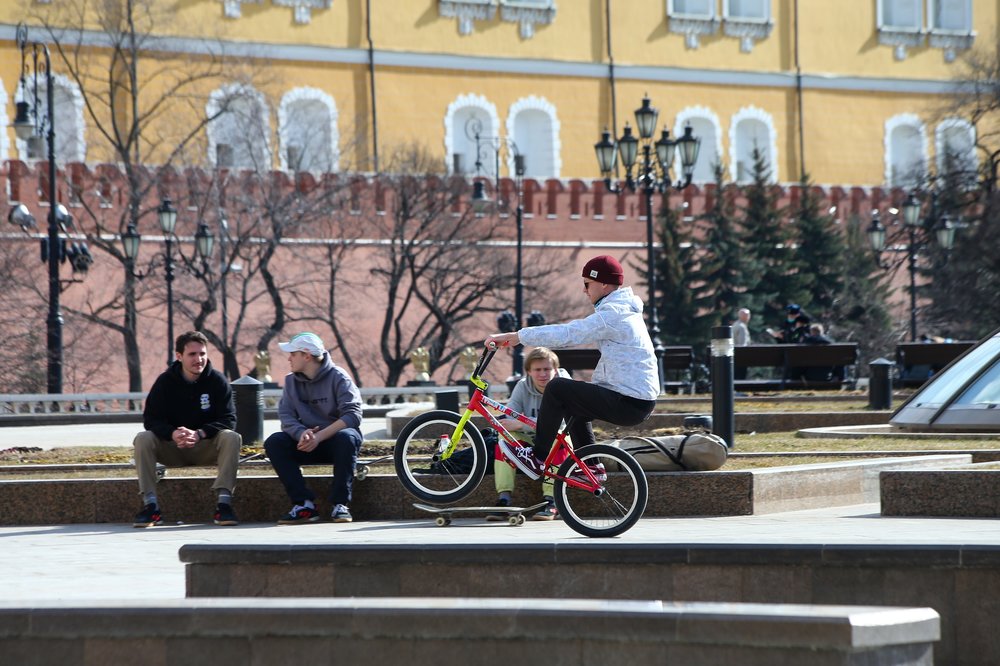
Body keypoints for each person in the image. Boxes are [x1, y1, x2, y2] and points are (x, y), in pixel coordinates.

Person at [485, 255, 658, 477]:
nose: (584, 290)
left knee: (557, 387)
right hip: (635, 399)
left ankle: (537, 458)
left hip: (629, 400)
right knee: (572, 402)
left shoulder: (613, 314)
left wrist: (518, 336)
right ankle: (591, 466)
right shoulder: (622, 309)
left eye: (587, 283)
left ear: (604, 284)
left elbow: (568, 333)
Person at [132, 330, 241, 528]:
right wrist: (172, 433)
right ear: (179, 356)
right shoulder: (165, 382)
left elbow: (229, 419)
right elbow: (151, 419)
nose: (198, 359)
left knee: (231, 437)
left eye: (202, 354)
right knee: (143, 438)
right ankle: (151, 507)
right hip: (172, 448)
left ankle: (224, 505)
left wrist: (200, 434)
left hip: (206, 447)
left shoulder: (217, 381)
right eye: (192, 354)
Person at [264, 332, 364, 524]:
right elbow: (286, 416)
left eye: (293, 354)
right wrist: (302, 433)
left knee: (347, 437)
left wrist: (320, 436)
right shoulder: (291, 381)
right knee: (275, 442)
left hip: (335, 442)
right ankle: (304, 505)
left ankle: (340, 505)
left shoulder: (339, 377)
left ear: (307, 356)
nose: (289, 358)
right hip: (306, 443)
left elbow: (353, 415)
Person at [488, 347, 570, 522]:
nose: (543, 374)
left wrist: (522, 423)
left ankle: (552, 501)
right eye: (537, 370)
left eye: (547, 369)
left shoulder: (564, 384)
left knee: (557, 439)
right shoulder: (522, 386)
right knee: (504, 438)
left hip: (562, 440)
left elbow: (560, 424)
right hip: (531, 440)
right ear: (529, 372)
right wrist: (516, 424)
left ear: (555, 369)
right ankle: (504, 499)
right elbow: (509, 416)